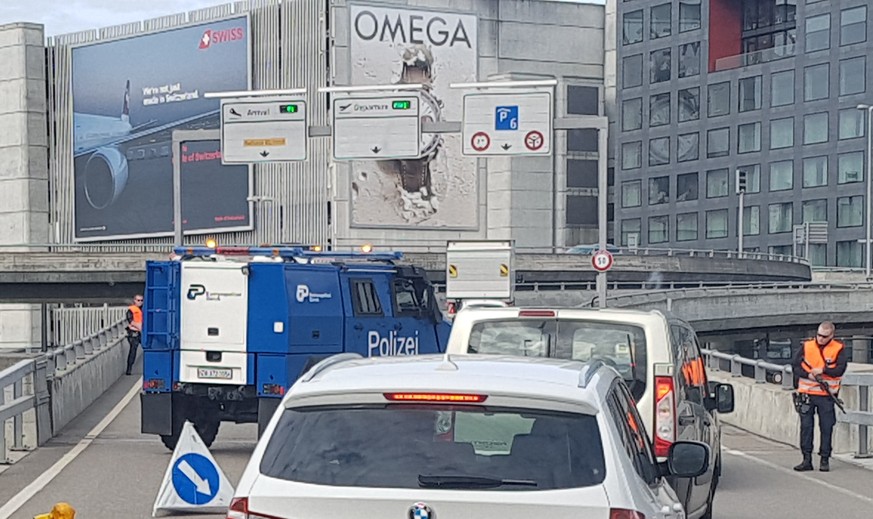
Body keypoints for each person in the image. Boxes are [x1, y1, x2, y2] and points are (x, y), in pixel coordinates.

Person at [791, 321, 847, 472]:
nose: (821, 339)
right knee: (806, 427)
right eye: (819, 335)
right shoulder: (807, 346)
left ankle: (824, 459)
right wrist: (809, 375)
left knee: (827, 427)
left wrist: (822, 370)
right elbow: (795, 366)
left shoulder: (838, 348)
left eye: (824, 336)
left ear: (831, 335)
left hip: (826, 395)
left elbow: (840, 370)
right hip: (807, 394)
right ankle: (806, 459)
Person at [126, 294, 143, 376]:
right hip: (134, 333)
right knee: (133, 350)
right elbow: (130, 320)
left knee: (149, 348)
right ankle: (129, 368)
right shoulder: (131, 310)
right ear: (134, 301)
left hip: (142, 332)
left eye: (141, 300)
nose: (140, 302)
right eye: (138, 300)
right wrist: (139, 326)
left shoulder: (143, 309)